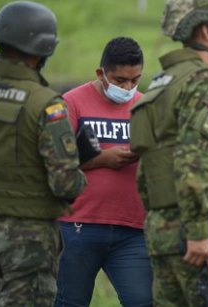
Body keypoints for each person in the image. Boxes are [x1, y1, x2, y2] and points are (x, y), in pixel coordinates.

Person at [129, 0, 208, 306]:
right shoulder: (201, 83)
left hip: (161, 227)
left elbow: (149, 166)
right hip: (195, 230)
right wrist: (198, 232)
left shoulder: (162, 83)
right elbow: (193, 159)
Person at [0, 0, 86, 305]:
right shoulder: (46, 104)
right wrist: (81, 175)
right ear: (42, 51)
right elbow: (64, 183)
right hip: (28, 237)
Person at [55, 37, 152, 306]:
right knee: (71, 301)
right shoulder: (72, 102)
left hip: (133, 228)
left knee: (142, 300)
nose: (128, 87)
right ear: (101, 74)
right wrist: (102, 159)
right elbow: (55, 162)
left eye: (135, 80)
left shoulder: (144, 105)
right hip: (80, 225)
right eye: (120, 80)